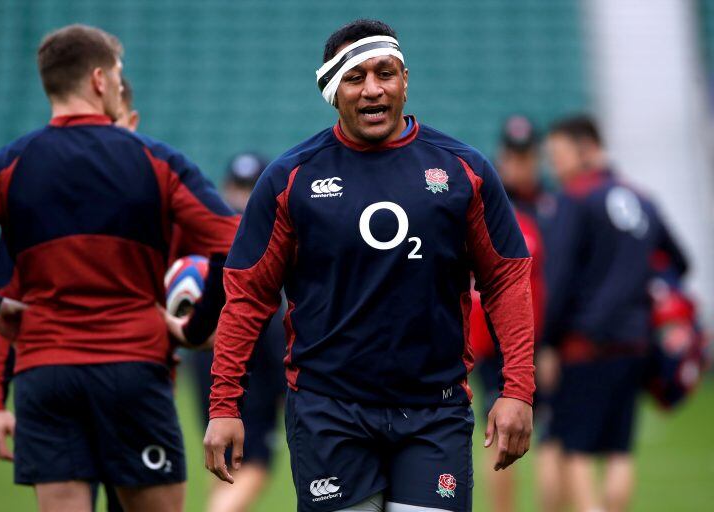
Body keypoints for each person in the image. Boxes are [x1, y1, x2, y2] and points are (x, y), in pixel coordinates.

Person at [198, 19, 535, 512]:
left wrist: (518, 389)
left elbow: (506, 279)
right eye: (355, 77)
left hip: (434, 412)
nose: (373, 88)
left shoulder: (465, 171)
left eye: (385, 73)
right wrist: (225, 404)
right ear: (332, 90)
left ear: (405, 80)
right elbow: (248, 296)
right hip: (328, 413)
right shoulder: (290, 179)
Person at [0, 25, 238, 512]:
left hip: (46, 375)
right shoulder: (155, 159)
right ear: (101, 80)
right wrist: (195, 327)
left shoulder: (7, 164)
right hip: (132, 369)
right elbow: (233, 240)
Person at [0, 77, 143, 512]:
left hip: (136, 393)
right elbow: (2, 305)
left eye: (108, 125)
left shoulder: (161, 196)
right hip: (57, 390)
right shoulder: (35, 210)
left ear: (131, 123)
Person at [540, 115, 688, 512]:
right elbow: (679, 262)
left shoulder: (575, 199)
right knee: (620, 452)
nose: (555, 166)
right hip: (634, 341)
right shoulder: (642, 199)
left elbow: (559, 278)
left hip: (584, 344)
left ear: (585, 148)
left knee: (577, 451)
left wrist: (546, 342)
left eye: (558, 155)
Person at [186, 152, 288, 512]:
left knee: (228, 458)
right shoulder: (263, 225)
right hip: (251, 342)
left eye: (250, 188)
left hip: (211, 349)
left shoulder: (212, 229)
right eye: (239, 187)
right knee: (253, 457)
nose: (242, 196)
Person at [469, 115, 552, 512]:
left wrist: (550, 343)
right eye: (512, 154)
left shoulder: (549, 204)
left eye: (525, 155)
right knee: (499, 434)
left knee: (555, 438)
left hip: (540, 334)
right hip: (495, 335)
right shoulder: (489, 198)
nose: (518, 162)